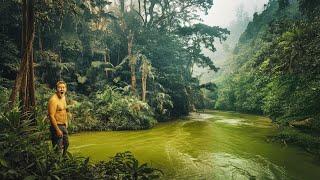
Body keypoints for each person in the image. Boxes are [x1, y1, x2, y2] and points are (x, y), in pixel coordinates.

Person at [48, 81, 70, 156]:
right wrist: (57, 130)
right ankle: (56, 164)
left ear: (66, 89)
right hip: (57, 126)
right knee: (58, 148)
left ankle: (64, 161)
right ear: (56, 89)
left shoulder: (63, 97)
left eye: (63, 87)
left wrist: (66, 121)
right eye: (60, 87)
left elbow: (64, 110)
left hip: (63, 125)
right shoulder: (53, 100)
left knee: (66, 144)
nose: (62, 89)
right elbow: (51, 116)